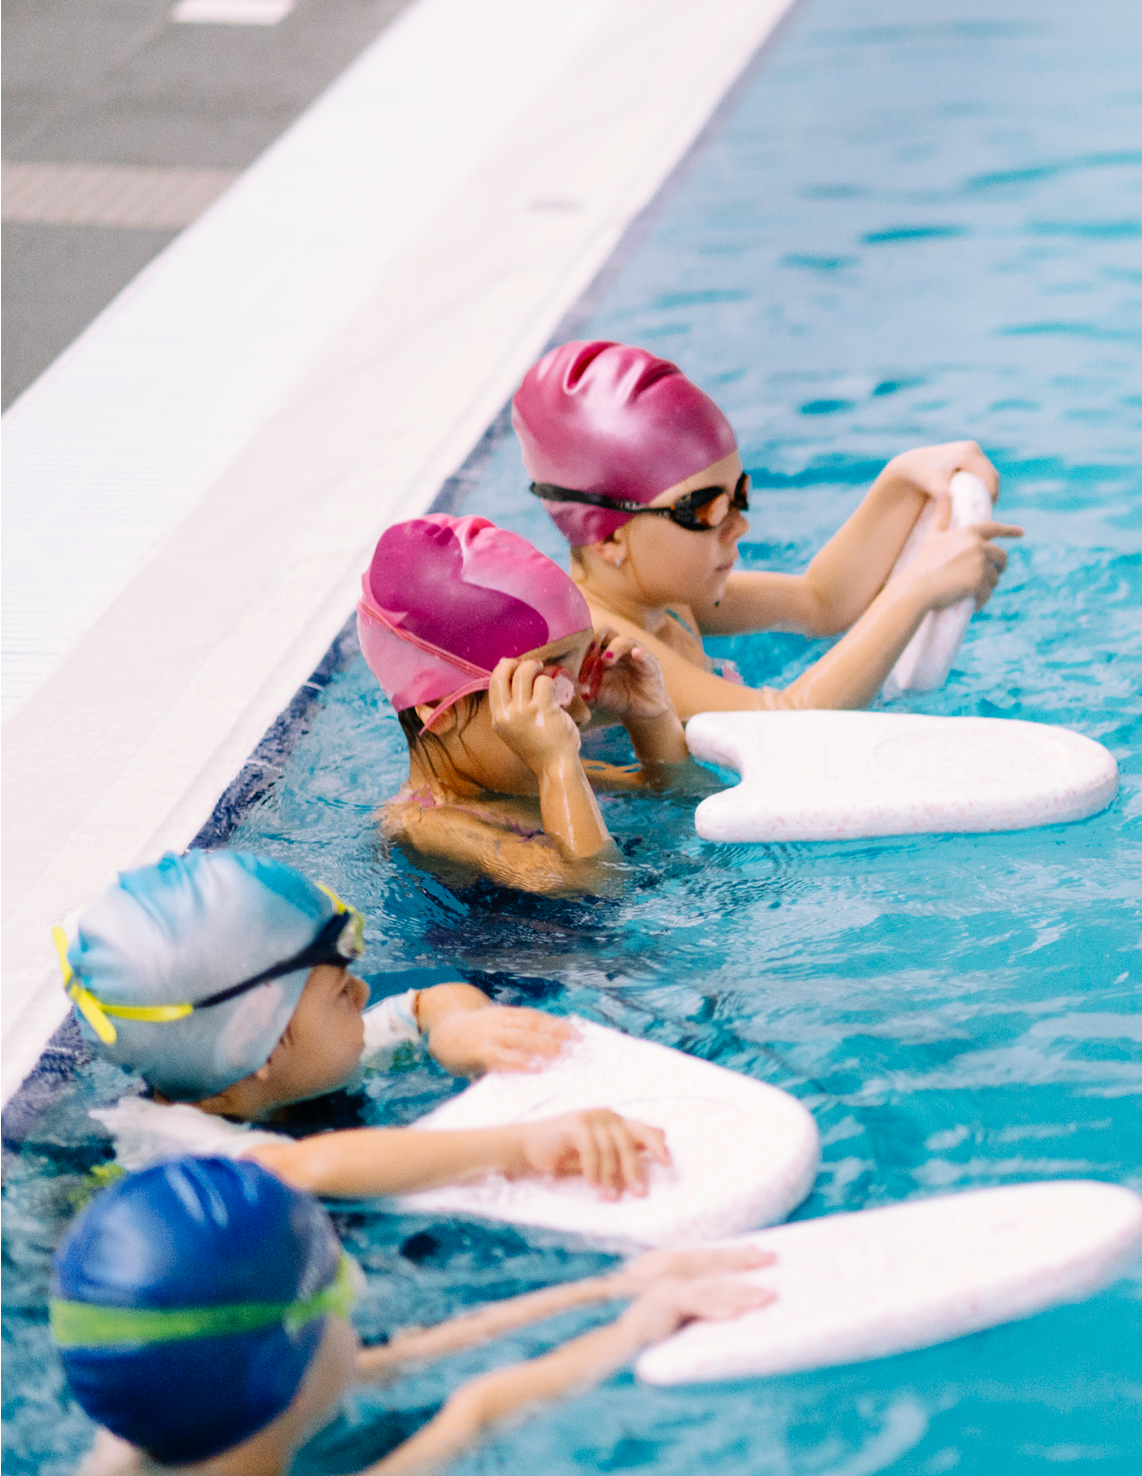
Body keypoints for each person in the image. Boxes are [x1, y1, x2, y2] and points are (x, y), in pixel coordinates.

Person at [29, 1157, 770, 1476]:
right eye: (341, 1293)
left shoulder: (144, 1423)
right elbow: (475, 1414)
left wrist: (613, 1287)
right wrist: (639, 1328)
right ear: (286, 1352)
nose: (361, 1321)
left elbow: (413, 1354)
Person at [56, 849, 664, 1201]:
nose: (368, 993)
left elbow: (431, 1000)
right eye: (343, 992)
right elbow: (310, 1168)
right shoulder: (172, 1145)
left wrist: (455, 1029)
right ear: (258, 1046)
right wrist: (519, 1145)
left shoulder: (267, 1064)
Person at [513, 339, 1020, 718]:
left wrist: (902, 479)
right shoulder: (600, 642)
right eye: (705, 510)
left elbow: (823, 602)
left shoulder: (664, 597)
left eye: (740, 495)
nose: (739, 526)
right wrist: (916, 590)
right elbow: (785, 724)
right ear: (609, 539)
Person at [363, 512, 695, 893]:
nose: (583, 713)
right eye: (546, 687)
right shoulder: (426, 823)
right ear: (440, 707)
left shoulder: (528, 776)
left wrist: (649, 716)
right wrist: (557, 765)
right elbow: (593, 887)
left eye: (582, 671)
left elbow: (682, 798)